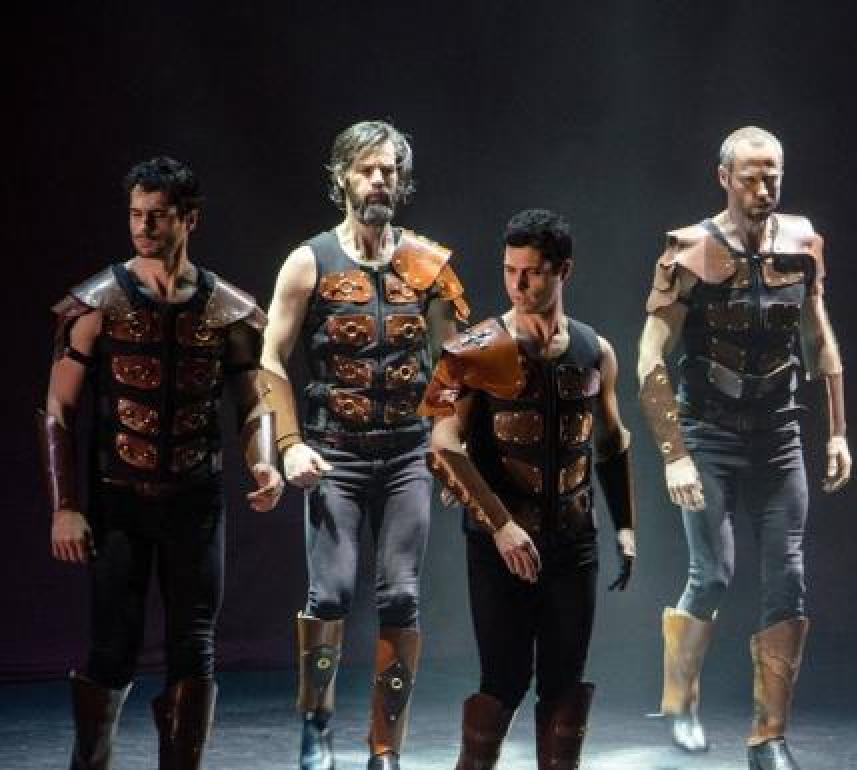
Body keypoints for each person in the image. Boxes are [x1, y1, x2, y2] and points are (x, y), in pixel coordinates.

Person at [40, 156, 283, 769]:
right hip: (118, 499)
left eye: (157, 215)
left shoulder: (227, 309)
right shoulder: (96, 303)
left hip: (196, 501)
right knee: (112, 650)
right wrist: (65, 505)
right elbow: (58, 410)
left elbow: (253, 403)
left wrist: (263, 462)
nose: (143, 227)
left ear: (189, 219)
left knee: (194, 650)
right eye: (136, 214)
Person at [636, 126, 850, 770]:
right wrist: (674, 453)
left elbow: (818, 337)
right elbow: (650, 356)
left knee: (789, 577)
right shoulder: (690, 251)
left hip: (778, 433)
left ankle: (769, 736)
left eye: (772, 175)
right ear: (724, 177)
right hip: (709, 432)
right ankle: (679, 697)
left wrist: (838, 431)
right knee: (714, 573)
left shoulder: (802, 244)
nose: (763, 188)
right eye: (751, 176)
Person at [260, 120, 470, 770]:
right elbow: (269, 357)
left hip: (406, 454)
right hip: (335, 453)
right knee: (329, 594)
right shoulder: (310, 261)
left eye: (389, 171)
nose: (379, 180)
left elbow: (450, 366)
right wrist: (288, 444)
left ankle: (386, 748)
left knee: (401, 596)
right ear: (342, 177)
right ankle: (316, 727)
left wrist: (448, 449)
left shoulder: (430, 265)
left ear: (402, 182)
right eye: (366, 169)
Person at [420, 208, 636, 770]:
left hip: (573, 541)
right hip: (501, 544)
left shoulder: (595, 350)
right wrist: (500, 525)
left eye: (532, 272)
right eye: (509, 270)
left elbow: (611, 442)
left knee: (564, 684)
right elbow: (443, 443)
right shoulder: (476, 348)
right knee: (504, 679)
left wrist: (625, 526)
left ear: (564, 270)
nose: (517, 284)